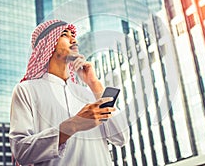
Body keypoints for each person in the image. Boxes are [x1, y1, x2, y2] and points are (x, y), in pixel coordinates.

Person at [9, 19, 129, 166]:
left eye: (74, 35)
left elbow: (121, 137)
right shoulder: (27, 90)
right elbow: (21, 151)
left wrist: (94, 83)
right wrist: (74, 124)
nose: (74, 39)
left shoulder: (88, 93)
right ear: (47, 44)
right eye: (65, 34)